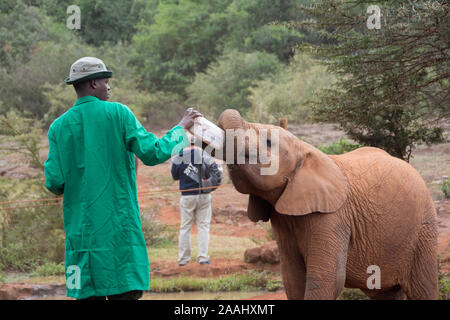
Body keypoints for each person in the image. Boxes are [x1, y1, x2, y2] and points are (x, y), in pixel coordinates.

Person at [44, 57, 201, 300]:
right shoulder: (118, 113)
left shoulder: (57, 127)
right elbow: (153, 153)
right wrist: (181, 128)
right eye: (106, 82)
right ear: (94, 83)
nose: (109, 87)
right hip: (119, 234)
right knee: (126, 290)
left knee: (83, 291)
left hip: (81, 239)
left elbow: (54, 183)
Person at [171, 134, 222, 266]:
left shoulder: (180, 155)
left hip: (187, 196)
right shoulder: (204, 154)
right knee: (203, 226)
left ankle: (183, 260)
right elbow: (214, 172)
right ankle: (203, 258)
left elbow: (175, 176)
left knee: (185, 227)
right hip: (204, 195)